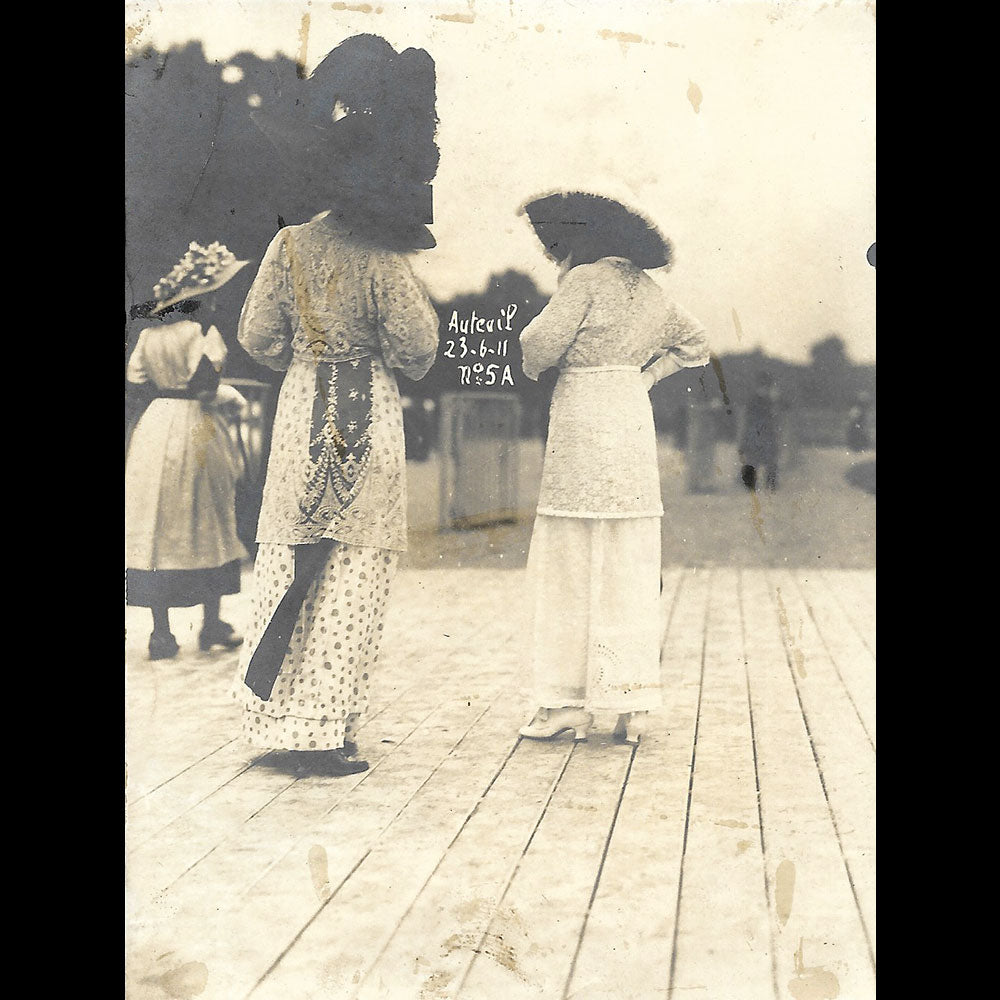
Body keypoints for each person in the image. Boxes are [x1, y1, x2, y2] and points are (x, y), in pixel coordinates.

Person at [232, 34, 440, 778]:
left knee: (290, 555)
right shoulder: (384, 257)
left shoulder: (287, 245)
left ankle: (275, 717)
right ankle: (323, 729)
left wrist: (305, 355)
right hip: (365, 407)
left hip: (300, 408)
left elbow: (255, 338)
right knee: (352, 565)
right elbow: (418, 349)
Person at [516, 190, 710, 745]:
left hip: (582, 416)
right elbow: (696, 345)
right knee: (627, 555)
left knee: (572, 555)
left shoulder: (584, 280)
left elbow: (540, 345)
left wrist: (534, 351)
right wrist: (644, 376)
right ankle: (631, 704)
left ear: (580, 236)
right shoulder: (651, 290)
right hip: (629, 416)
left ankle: (564, 703)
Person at [125, 241, 251, 660]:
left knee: (160, 521)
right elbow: (204, 387)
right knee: (207, 514)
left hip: (156, 426)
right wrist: (229, 395)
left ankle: (161, 633)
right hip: (195, 426)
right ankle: (210, 624)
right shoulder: (201, 334)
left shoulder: (149, 337)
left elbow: (139, 383)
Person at [739, 371, 782, 491]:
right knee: (755, 460)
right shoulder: (756, 400)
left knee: (769, 460)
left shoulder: (768, 399)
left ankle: (770, 485)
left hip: (764, 433)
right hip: (758, 432)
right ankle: (752, 485)